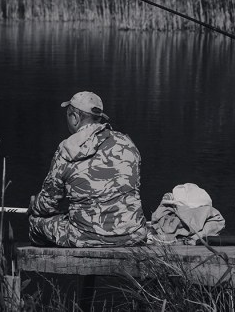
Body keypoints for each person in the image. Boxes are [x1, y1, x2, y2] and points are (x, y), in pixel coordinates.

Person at [28, 91, 148, 247]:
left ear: (75, 118)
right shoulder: (127, 143)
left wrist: (34, 205)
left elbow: (47, 205)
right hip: (133, 234)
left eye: (68, 115)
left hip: (85, 237)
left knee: (35, 223)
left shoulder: (66, 150)